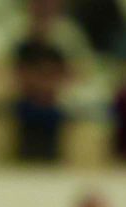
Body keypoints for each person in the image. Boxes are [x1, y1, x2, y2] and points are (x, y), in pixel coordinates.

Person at [11, 0, 78, 163]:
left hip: (50, 102)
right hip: (28, 101)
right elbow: (19, 74)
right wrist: (39, 83)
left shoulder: (58, 47)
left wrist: (48, 85)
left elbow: (68, 74)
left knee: (54, 115)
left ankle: (53, 159)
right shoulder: (24, 46)